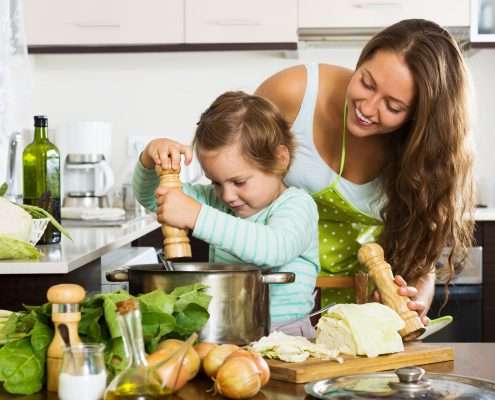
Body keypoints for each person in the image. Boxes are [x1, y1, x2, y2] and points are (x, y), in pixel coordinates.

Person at [254, 18, 475, 322]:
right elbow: (230, 171)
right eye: (366, 83)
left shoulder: (427, 159)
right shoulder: (293, 93)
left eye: (393, 107)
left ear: (420, 118)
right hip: (276, 303)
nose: (368, 109)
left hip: (364, 319)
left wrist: (413, 300)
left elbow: (420, 265)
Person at [133, 91, 320, 326]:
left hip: (287, 338)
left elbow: (273, 249)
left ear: (280, 159)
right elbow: (154, 198)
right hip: (225, 333)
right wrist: (150, 158)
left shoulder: (297, 206)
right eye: (216, 182)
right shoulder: (215, 201)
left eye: (239, 182)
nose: (228, 196)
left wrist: (196, 215)